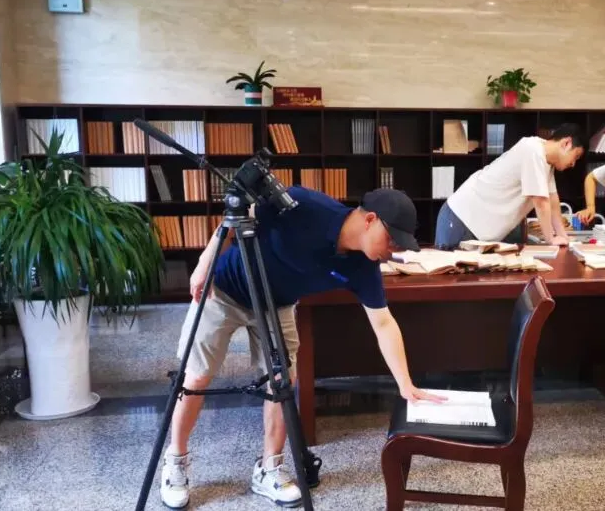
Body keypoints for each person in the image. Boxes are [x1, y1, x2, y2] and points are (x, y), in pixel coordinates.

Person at [159, 187, 446, 509]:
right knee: (196, 377)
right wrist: (205, 263)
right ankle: (176, 460)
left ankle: (269, 467)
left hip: (277, 304)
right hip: (224, 290)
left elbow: (383, 323)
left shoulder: (363, 266)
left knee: (282, 381)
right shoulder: (303, 205)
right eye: (391, 239)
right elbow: (236, 215)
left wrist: (405, 383)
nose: (393, 250)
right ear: (370, 220)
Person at [435, 124, 585, 249]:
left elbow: (553, 201)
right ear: (566, 143)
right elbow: (540, 202)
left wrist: (563, 237)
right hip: (461, 218)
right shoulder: (533, 150)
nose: (573, 164)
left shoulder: (547, 161)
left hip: (479, 229)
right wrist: (551, 239)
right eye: (576, 156)